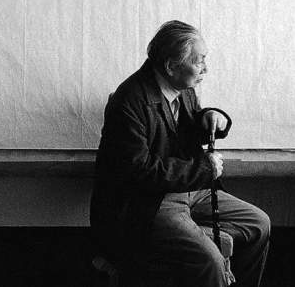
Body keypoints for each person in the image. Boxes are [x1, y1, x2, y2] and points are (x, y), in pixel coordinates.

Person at [90, 20, 270, 287]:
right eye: (200, 61)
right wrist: (204, 169)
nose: (206, 69)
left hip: (189, 189)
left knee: (259, 224)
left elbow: (181, 131)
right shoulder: (129, 101)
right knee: (210, 261)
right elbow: (140, 169)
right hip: (149, 202)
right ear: (171, 66)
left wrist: (209, 117)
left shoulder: (182, 89)